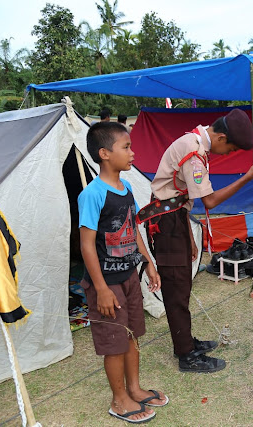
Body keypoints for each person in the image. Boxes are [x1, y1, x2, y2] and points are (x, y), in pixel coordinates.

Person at [137, 109, 253, 373]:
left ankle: (186, 342)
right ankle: (187, 356)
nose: (228, 154)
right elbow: (209, 201)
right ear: (220, 137)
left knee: (183, 284)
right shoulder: (194, 151)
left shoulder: (195, 143)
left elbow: (180, 197)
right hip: (167, 224)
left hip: (176, 218)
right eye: (230, 149)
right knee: (176, 288)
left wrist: (189, 234)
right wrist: (248, 176)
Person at [79, 121, 167, 424]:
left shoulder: (126, 187)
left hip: (129, 276)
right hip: (107, 283)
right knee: (114, 344)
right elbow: (87, 245)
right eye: (126, 147)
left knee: (131, 337)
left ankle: (134, 388)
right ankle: (118, 401)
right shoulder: (92, 194)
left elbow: (133, 230)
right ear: (105, 153)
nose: (132, 153)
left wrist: (148, 262)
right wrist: (101, 289)